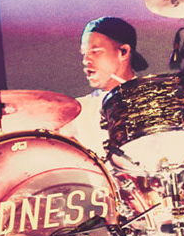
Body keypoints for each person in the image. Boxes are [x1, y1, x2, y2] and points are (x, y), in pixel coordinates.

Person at [62, 15, 149, 159]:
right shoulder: (76, 111)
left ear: (123, 52)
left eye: (95, 51)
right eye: (84, 53)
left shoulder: (155, 100)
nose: (86, 60)